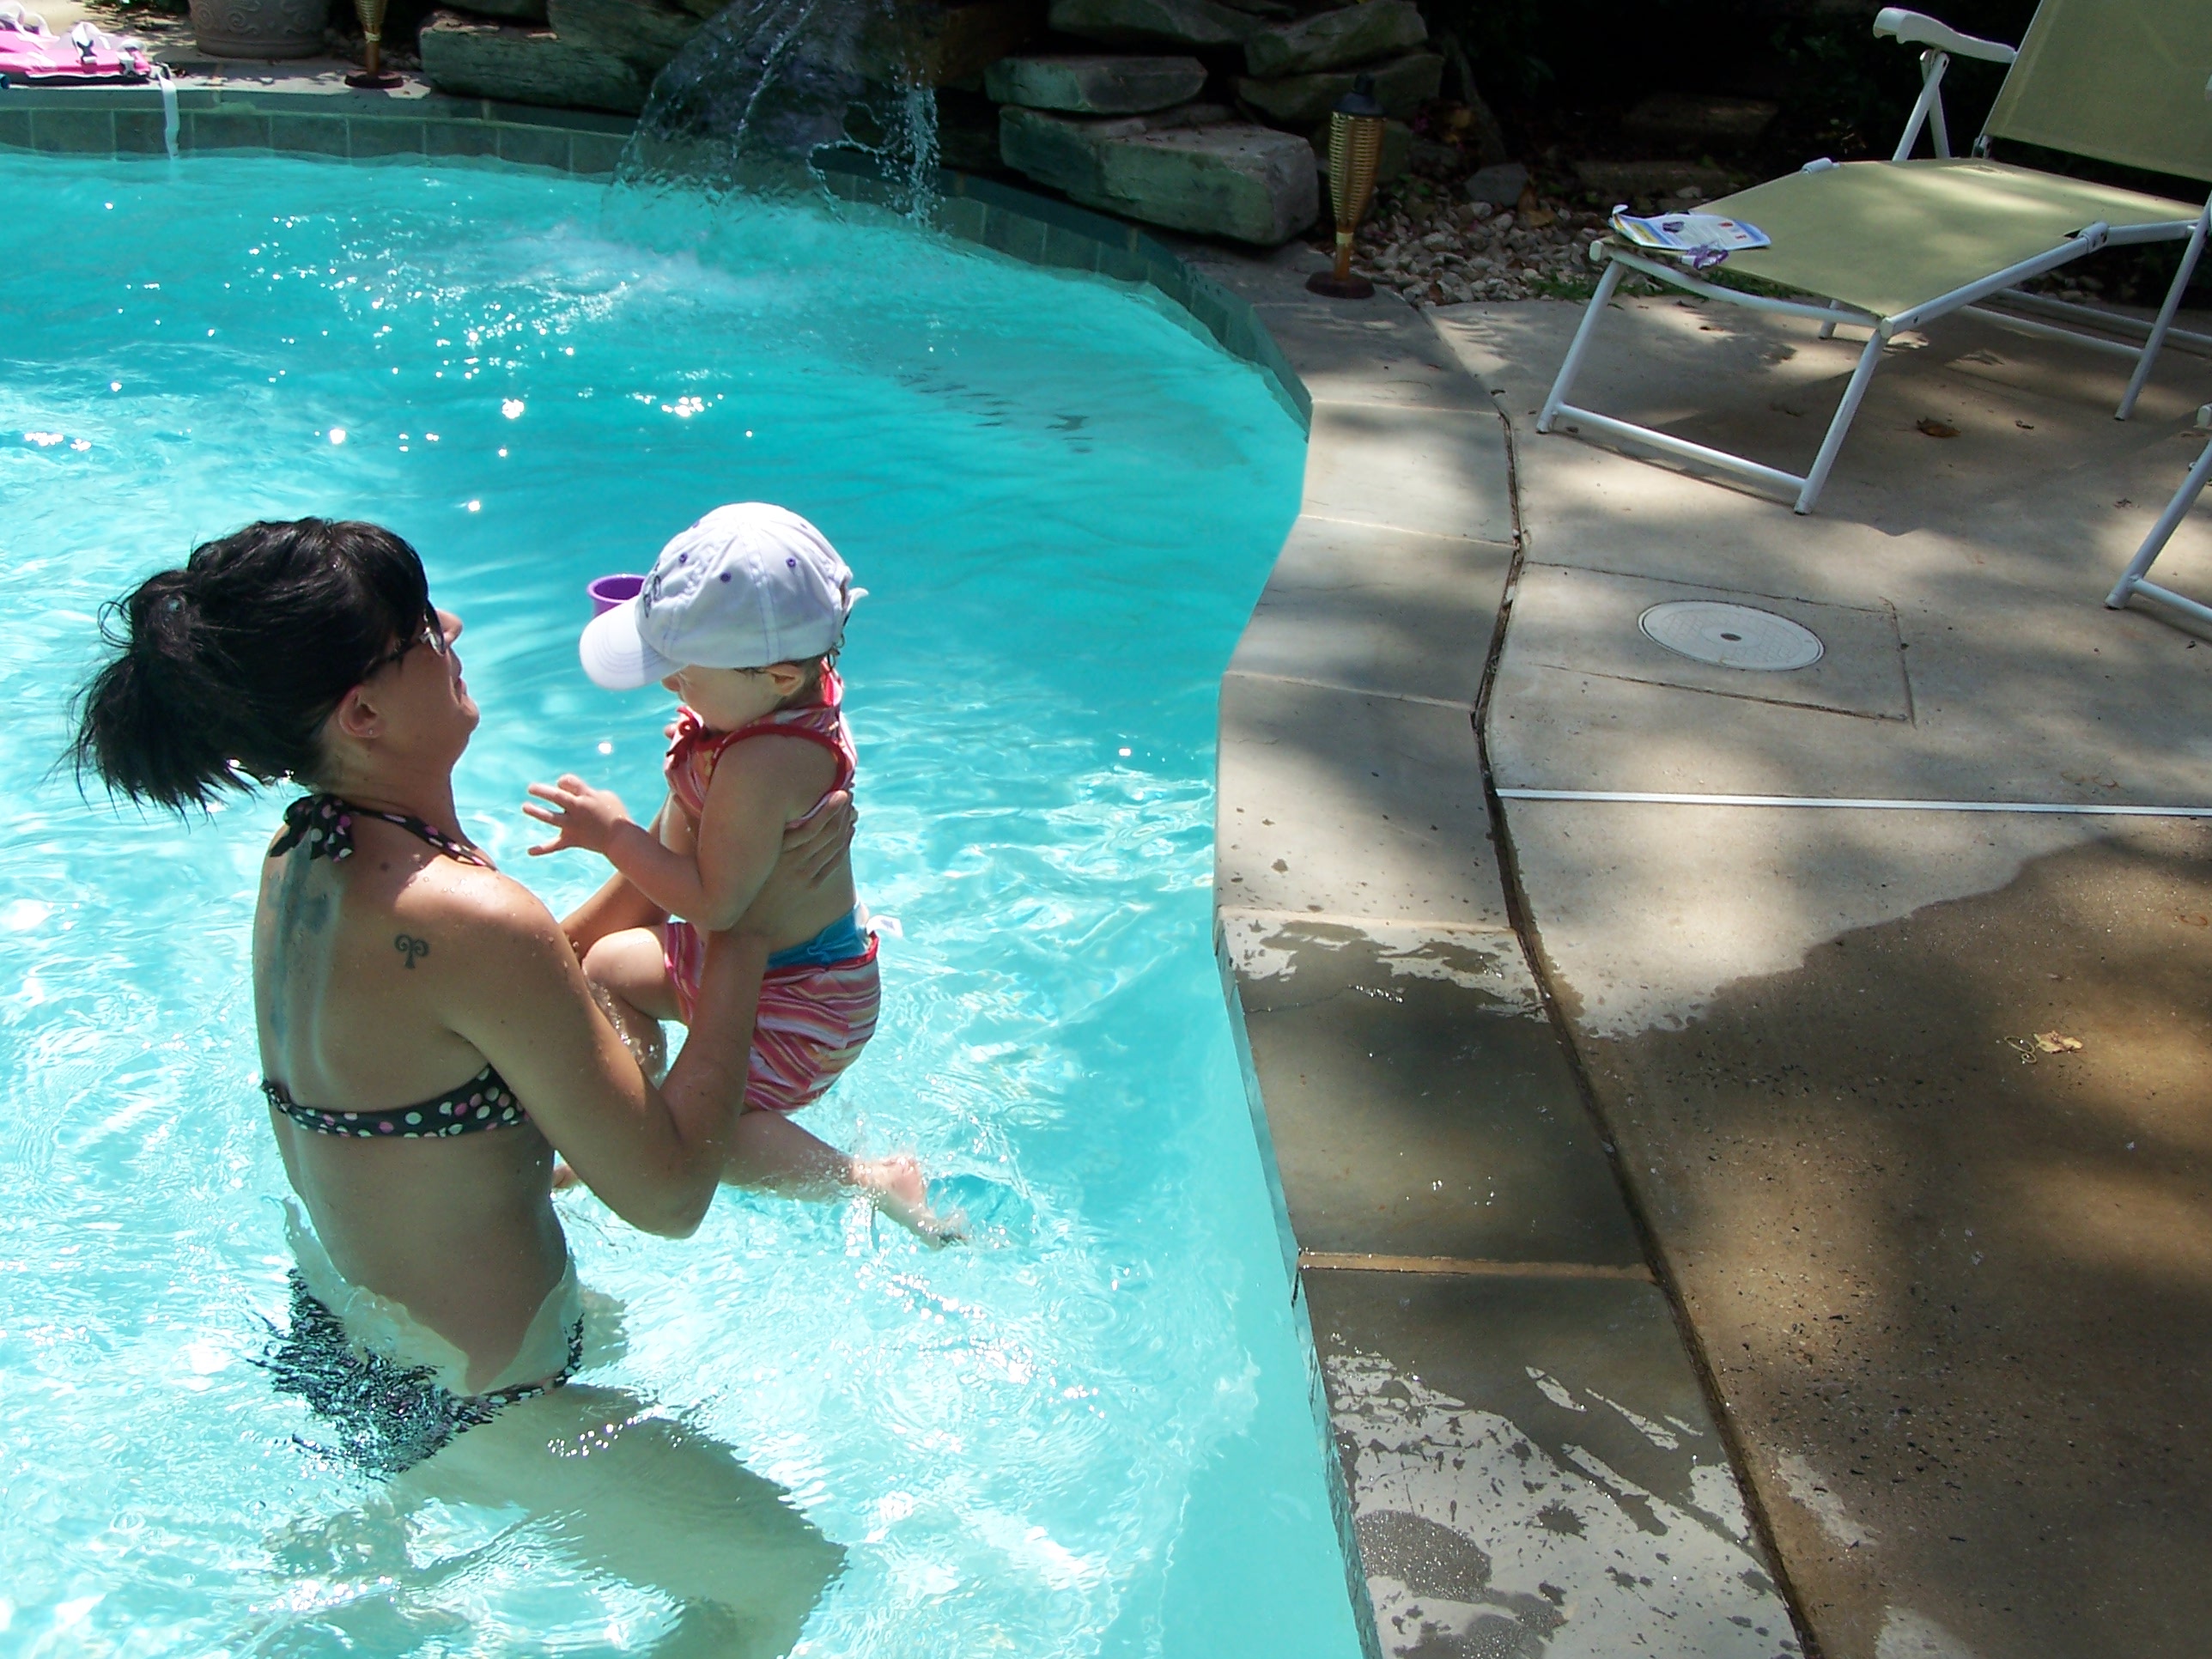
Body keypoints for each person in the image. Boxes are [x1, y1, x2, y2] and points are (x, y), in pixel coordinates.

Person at [69, 517, 905, 1646]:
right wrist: (745, 939)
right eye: (421, 629)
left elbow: (521, 981)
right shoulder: (468, 921)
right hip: (480, 1401)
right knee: (785, 1579)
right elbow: (668, 1197)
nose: (453, 628)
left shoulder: (307, 855)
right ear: (363, 714)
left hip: (346, 1334)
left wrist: (681, 854)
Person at [524, 504, 882, 1133]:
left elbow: (714, 905)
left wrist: (613, 835)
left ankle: (872, 1176)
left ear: (779, 677)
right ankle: (635, 1104)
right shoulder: (785, 700)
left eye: (685, 674)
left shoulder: (762, 763)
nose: (670, 687)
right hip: (771, 964)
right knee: (605, 967)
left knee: (714, 1133)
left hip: (801, 1001)